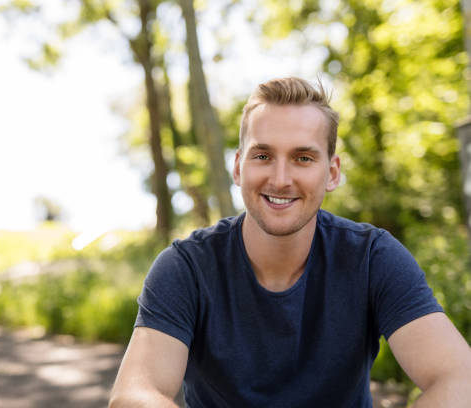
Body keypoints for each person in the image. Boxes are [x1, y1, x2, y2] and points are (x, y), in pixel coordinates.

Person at [109, 77, 471, 407]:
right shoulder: (186, 267)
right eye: (263, 155)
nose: (281, 179)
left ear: (331, 173)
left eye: (303, 158)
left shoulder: (372, 257)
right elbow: (134, 396)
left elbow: (460, 378)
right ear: (238, 167)